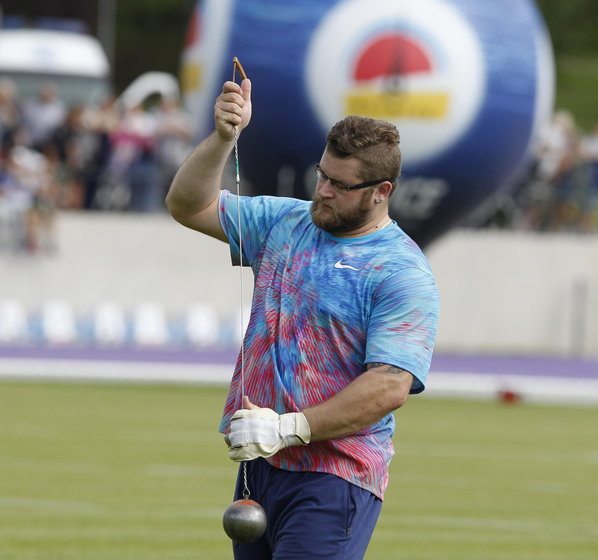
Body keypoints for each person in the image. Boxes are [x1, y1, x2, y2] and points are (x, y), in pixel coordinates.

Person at [165, 76, 439, 559]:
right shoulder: (286, 222)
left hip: (335, 476)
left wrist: (287, 428)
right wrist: (224, 139)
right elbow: (188, 205)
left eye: (340, 184)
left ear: (381, 191)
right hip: (261, 466)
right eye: (322, 175)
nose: (324, 191)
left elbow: (390, 385)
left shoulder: (402, 270)